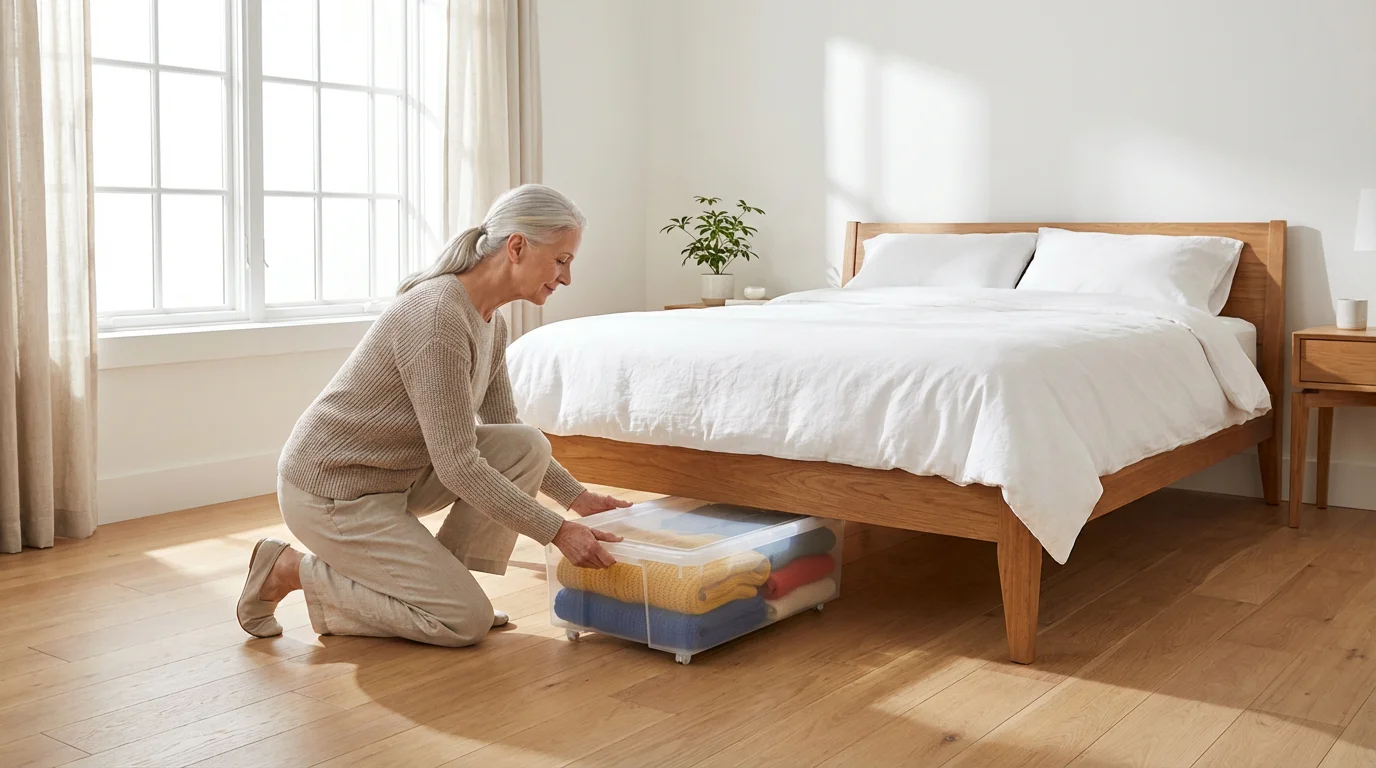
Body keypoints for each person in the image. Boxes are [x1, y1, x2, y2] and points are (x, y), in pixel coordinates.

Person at [236, 184, 628, 647]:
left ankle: (437, 589)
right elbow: (458, 464)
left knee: (526, 443)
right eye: (561, 260)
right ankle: (287, 569)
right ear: (517, 246)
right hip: (334, 492)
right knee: (464, 623)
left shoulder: (490, 320)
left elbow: (507, 430)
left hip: (396, 479)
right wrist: (558, 531)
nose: (566, 278)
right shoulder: (438, 316)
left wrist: (578, 500)